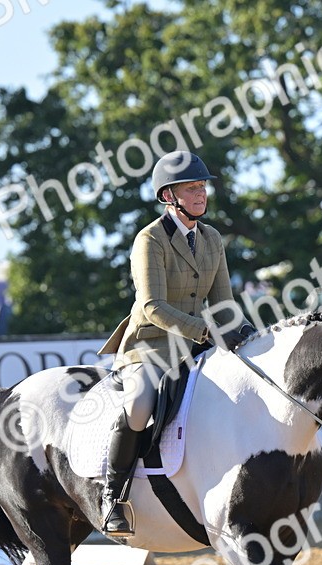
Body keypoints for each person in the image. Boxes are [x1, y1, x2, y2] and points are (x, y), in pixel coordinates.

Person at [96, 150, 254, 537]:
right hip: (149, 345)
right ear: (169, 195)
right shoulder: (149, 239)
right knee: (138, 405)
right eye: (192, 188)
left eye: (202, 187)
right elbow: (152, 307)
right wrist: (208, 332)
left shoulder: (212, 238)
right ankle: (111, 495)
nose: (201, 194)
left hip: (196, 345)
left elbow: (222, 304)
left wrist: (247, 333)